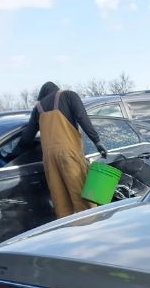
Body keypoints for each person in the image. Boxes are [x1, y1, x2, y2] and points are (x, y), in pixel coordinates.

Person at [13, 82, 108, 218]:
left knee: (60, 201)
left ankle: (68, 231)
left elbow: (27, 138)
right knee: (82, 197)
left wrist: (11, 156)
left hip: (49, 160)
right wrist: (97, 141)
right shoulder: (69, 96)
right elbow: (82, 118)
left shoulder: (38, 108)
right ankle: (91, 226)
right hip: (69, 153)